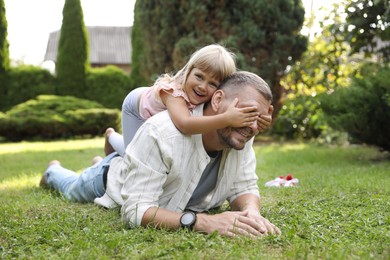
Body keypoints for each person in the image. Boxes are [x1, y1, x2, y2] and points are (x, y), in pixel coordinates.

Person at [40, 71, 281, 237]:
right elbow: (135, 210)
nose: (252, 127)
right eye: (248, 114)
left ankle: (106, 159)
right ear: (218, 100)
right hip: (110, 183)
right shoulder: (162, 132)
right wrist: (203, 221)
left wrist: (251, 210)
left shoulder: (240, 134)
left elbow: (244, 185)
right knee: (72, 188)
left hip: (140, 164)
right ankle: (53, 171)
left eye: (258, 120)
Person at [107, 44, 272, 156]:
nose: (202, 86)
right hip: (137, 109)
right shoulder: (174, 94)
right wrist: (226, 119)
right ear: (189, 70)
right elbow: (185, 125)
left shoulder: (205, 98)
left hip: (156, 113)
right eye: (199, 76)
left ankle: (102, 161)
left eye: (213, 83)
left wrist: (259, 119)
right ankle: (111, 137)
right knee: (134, 155)